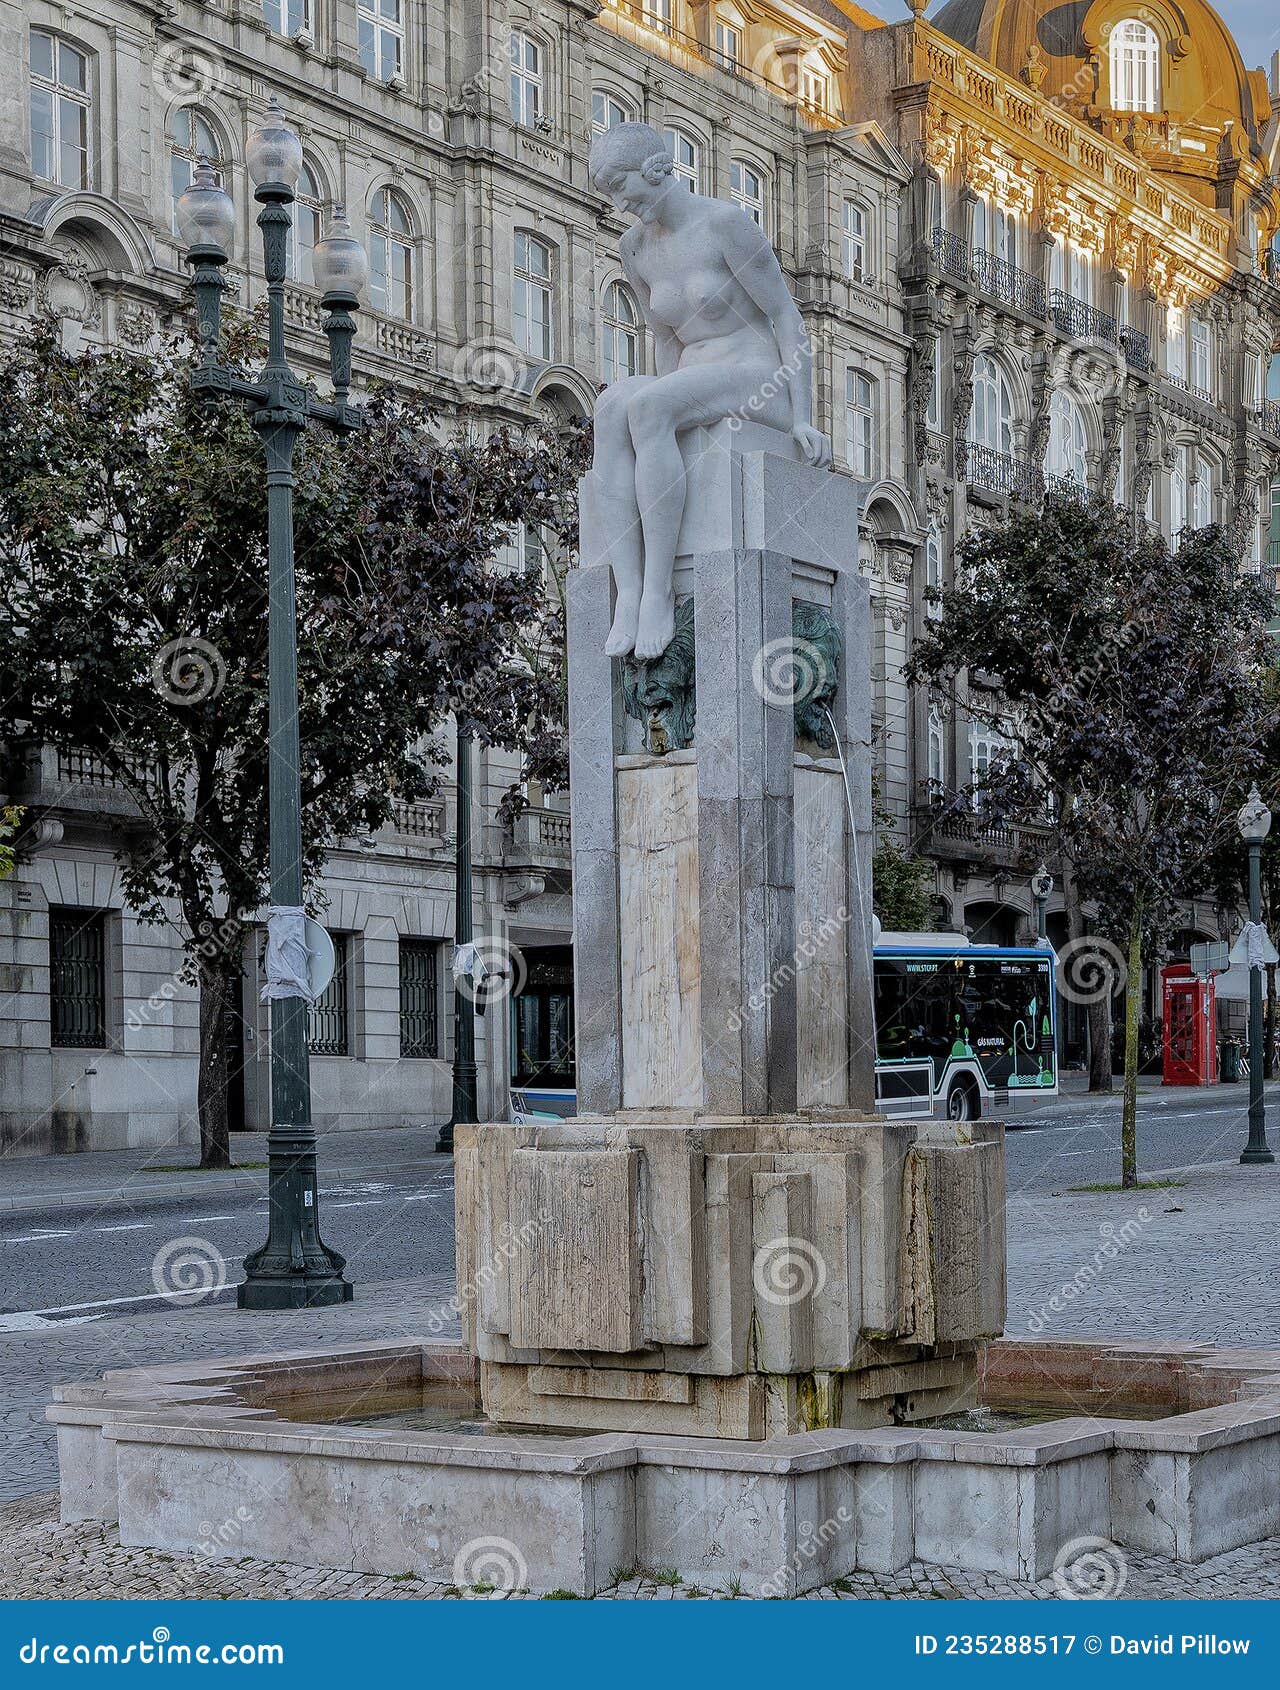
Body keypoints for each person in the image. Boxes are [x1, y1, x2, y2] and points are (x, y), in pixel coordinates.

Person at [587, 122, 831, 661]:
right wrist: (658, 404)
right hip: (695, 378)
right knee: (610, 408)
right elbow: (663, 337)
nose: (620, 205)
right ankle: (629, 590)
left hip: (755, 376)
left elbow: (785, 316)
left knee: (650, 406)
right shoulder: (634, 248)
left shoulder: (725, 224)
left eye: (622, 188)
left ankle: (659, 590)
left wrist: (802, 418)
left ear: (655, 170)